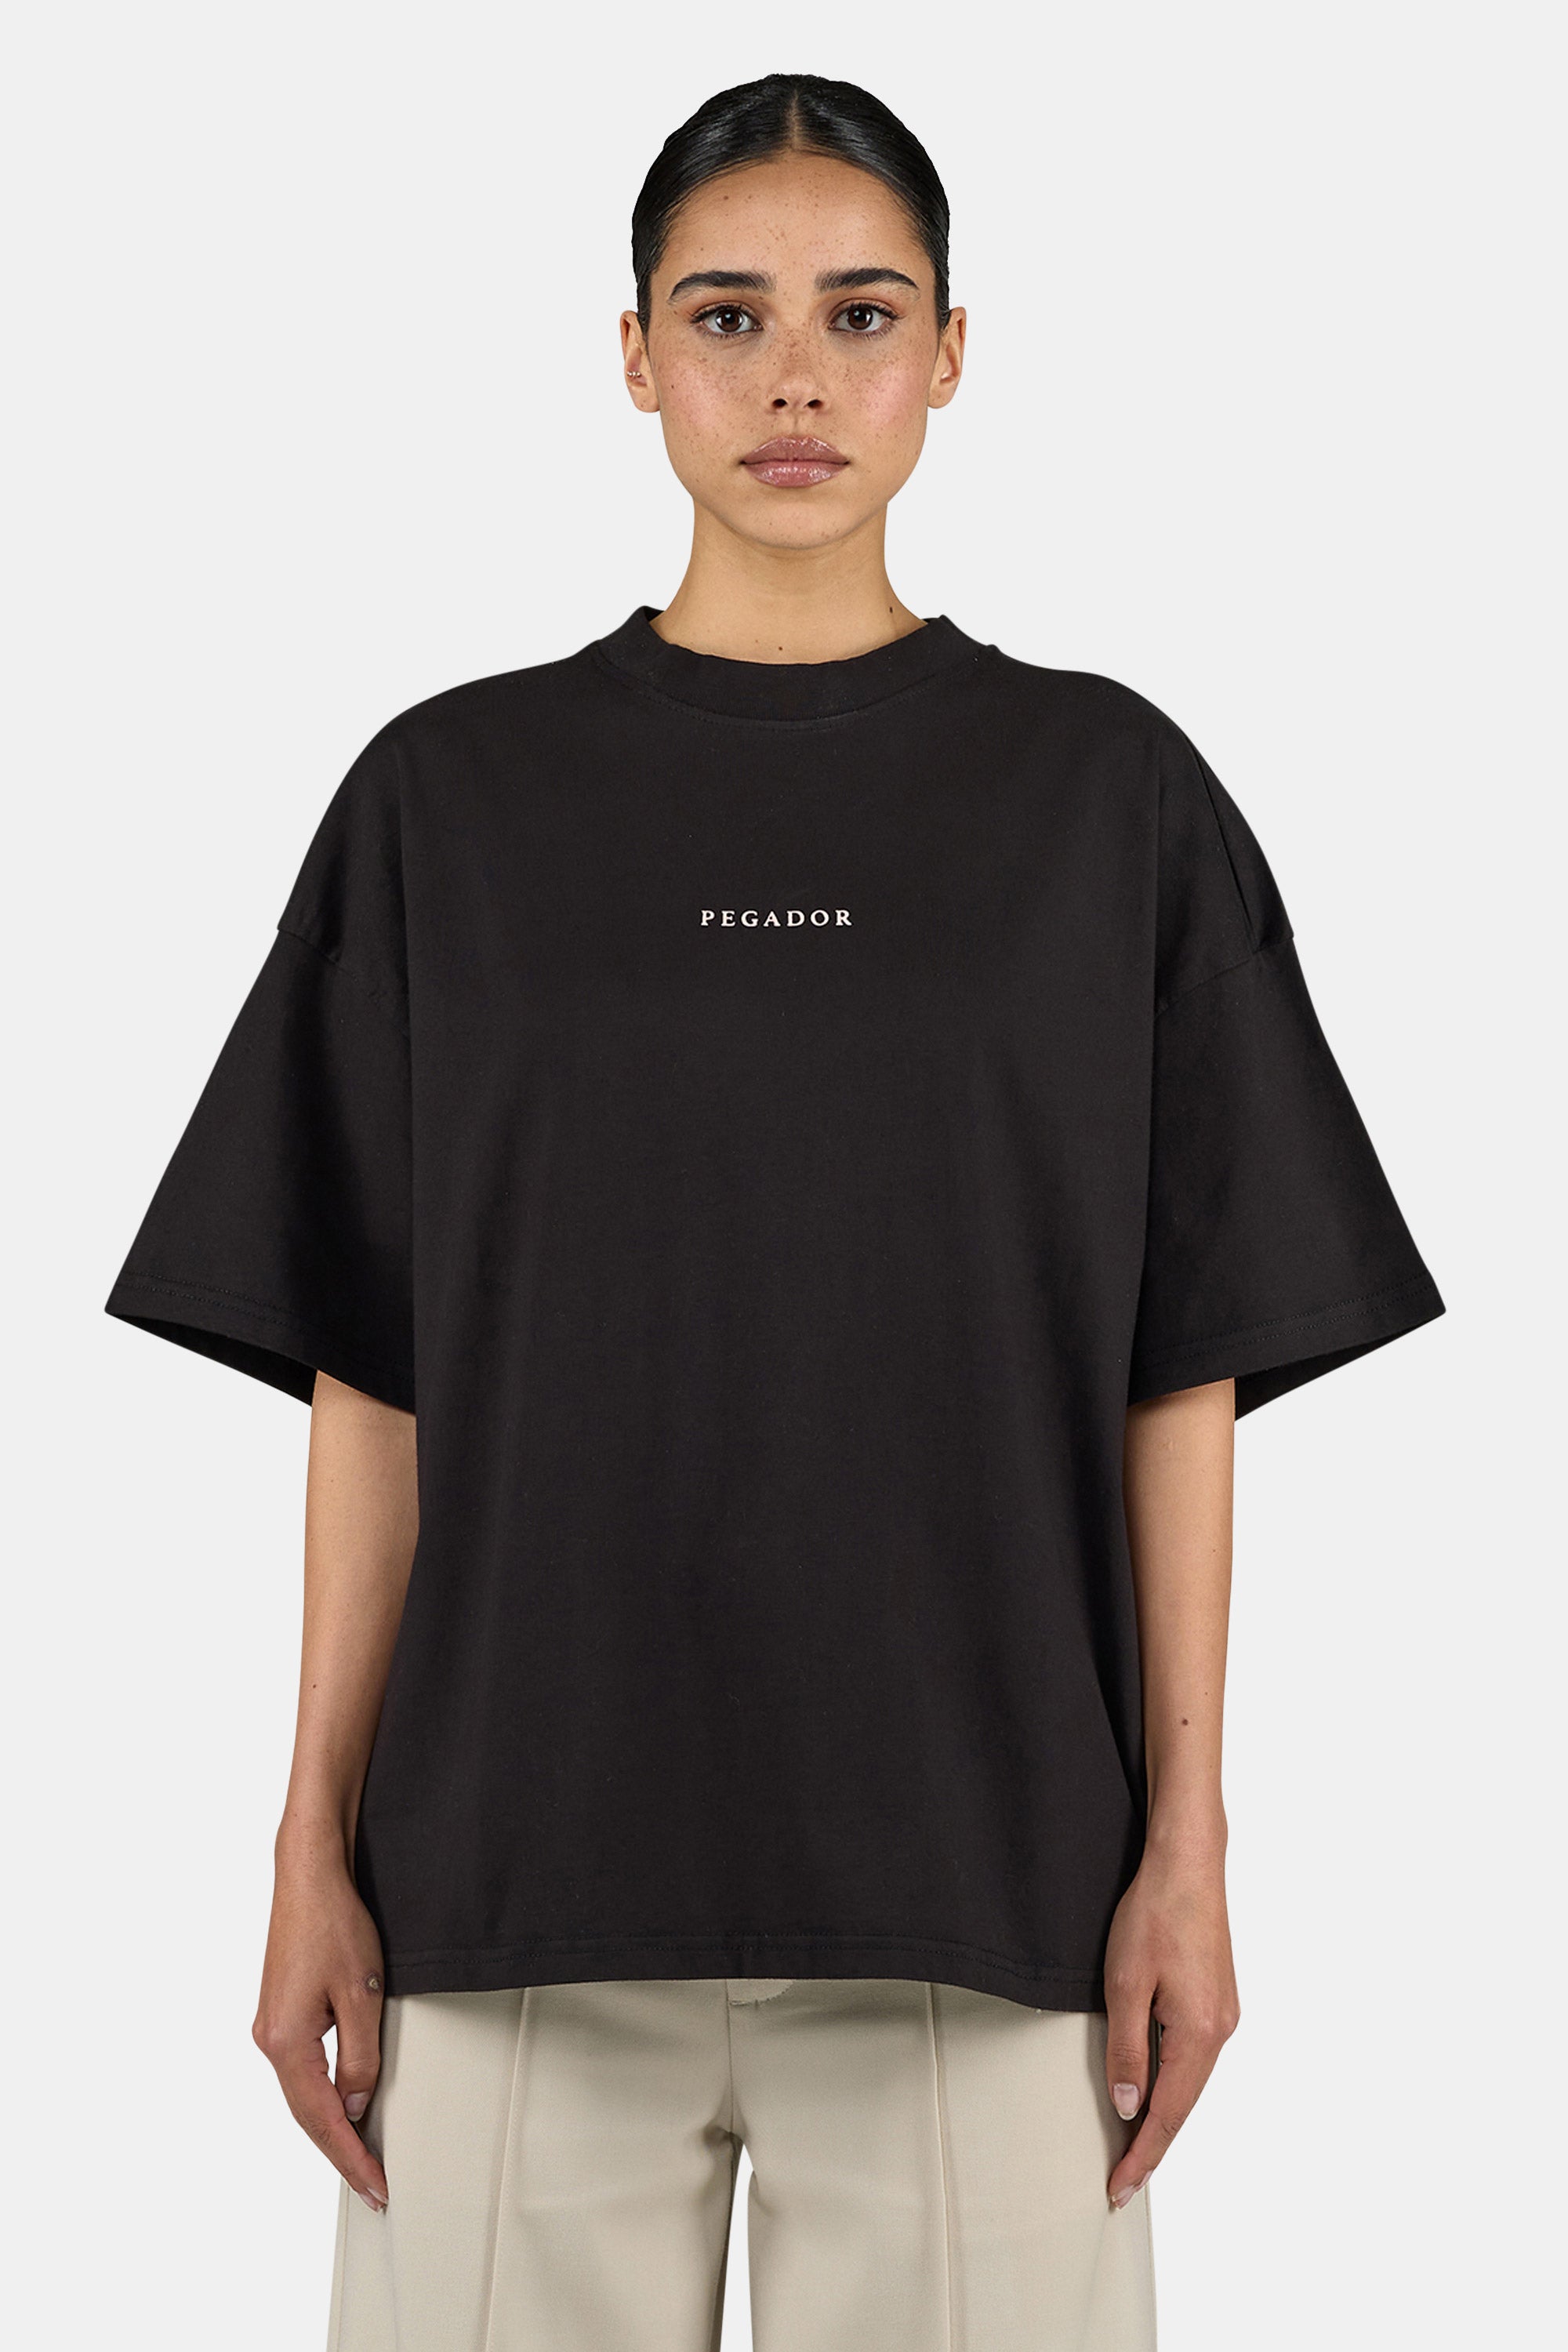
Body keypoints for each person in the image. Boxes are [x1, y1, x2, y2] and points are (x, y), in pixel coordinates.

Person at [105, 71, 1444, 2352]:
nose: (796, 376)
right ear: (634, 355)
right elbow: (371, 1377)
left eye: (862, 313)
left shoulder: (1110, 802)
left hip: (990, 1888)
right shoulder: (449, 799)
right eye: (727, 315)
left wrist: (1190, 1848)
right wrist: (307, 1841)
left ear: (953, 353)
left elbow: (1184, 1374)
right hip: (507, 1894)